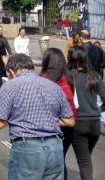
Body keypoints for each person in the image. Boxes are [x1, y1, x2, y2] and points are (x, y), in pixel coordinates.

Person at [0, 54, 75, 180]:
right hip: (55, 147)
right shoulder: (54, 86)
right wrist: (46, 119)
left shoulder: (10, 86)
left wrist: (20, 118)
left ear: (11, 71)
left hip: (27, 148)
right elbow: (70, 121)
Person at [67, 47, 105, 180]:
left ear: (71, 59)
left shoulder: (70, 78)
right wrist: (97, 111)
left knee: (84, 163)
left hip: (78, 123)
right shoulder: (94, 76)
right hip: (95, 125)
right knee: (87, 158)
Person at [40, 48, 78, 180]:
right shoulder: (68, 77)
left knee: (53, 162)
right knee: (59, 159)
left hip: (52, 126)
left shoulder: (44, 78)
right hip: (66, 128)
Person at [80, 30, 105, 137]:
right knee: (98, 100)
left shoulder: (82, 50)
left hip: (87, 78)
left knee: (93, 101)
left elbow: (81, 65)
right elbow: (103, 64)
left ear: (81, 37)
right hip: (98, 77)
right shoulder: (99, 49)